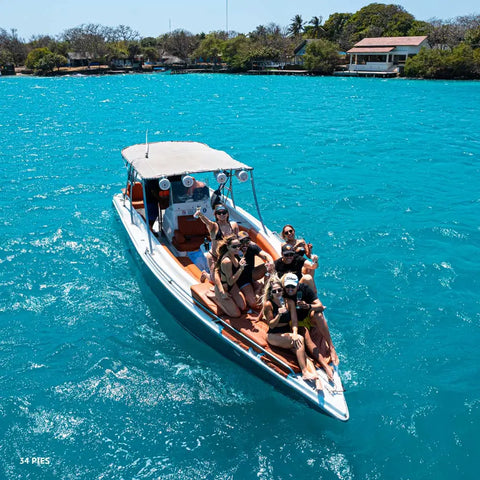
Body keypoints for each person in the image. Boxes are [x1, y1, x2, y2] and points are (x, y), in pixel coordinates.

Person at [262, 275, 321, 390]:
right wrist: (279, 315)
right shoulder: (268, 305)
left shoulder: (289, 302)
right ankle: (304, 372)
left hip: (287, 334)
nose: (278, 293)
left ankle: (317, 379)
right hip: (273, 335)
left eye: (280, 290)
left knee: (303, 354)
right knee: (300, 340)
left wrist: (294, 333)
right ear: (271, 292)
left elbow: (294, 322)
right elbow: (271, 325)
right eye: (275, 291)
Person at [281, 273, 338, 381]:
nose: (290, 289)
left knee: (319, 314)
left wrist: (308, 306)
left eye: (292, 286)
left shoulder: (304, 289)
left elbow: (319, 305)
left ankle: (331, 347)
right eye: (287, 286)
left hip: (307, 316)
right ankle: (325, 366)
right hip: (297, 322)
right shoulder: (283, 293)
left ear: (297, 285)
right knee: (306, 336)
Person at [196, 203, 239, 282]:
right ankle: (205, 274)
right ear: (216, 215)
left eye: (224, 212)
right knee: (214, 280)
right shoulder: (213, 226)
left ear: (227, 214)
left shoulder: (234, 225)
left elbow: (237, 240)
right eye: (219, 213)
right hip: (214, 256)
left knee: (230, 276)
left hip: (228, 256)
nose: (222, 214)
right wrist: (200, 215)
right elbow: (207, 222)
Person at [236, 231, 274, 310]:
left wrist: (270, 262)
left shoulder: (252, 246)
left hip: (251, 274)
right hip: (240, 280)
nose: (245, 244)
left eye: (247, 241)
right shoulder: (234, 250)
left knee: (269, 266)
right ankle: (258, 288)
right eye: (242, 242)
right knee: (254, 304)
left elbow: (265, 255)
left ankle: (265, 289)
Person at [213, 235, 246, 317]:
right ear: (228, 247)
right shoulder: (227, 261)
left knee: (243, 307)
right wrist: (241, 269)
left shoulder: (235, 255)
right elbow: (230, 282)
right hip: (225, 287)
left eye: (239, 246)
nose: (237, 248)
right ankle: (215, 298)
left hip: (232, 286)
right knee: (236, 314)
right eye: (234, 247)